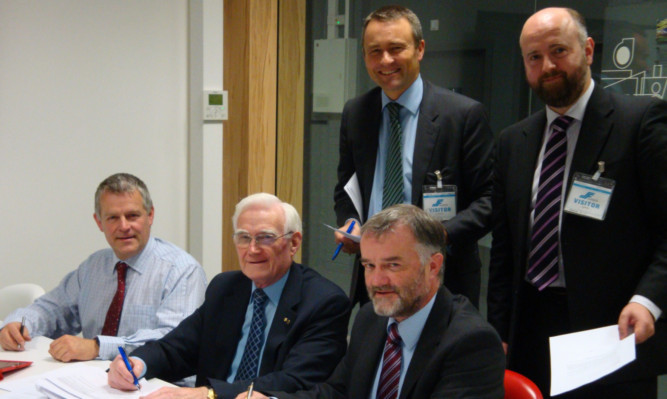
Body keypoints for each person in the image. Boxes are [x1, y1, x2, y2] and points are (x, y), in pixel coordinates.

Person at [488, 7, 667, 398]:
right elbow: (504, 252)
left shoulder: (639, 122)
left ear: (587, 50)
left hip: (612, 334)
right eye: (534, 57)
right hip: (530, 332)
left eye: (558, 51)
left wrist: (648, 300)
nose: (547, 65)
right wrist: (499, 333)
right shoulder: (512, 142)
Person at [239, 204, 505, 399]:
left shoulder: (470, 342)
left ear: (433, 266)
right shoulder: (371, 319)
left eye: (392, 265)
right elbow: (337, 392)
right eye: (369, 265)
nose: (377, 281)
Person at [108, 193, 350, 399]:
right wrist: (137, 363)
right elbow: (179, 347)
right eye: (244, 237)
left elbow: (293, 380)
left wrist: (210, 394)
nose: (252, 249)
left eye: (265, 237)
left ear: (293, 243)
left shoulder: (324, 302)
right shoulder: (226, 288)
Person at [333, 5, 493, 308]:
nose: (385, 60)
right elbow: (345, 189)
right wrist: (350, 223)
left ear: (419, 49)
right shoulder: (356, 113)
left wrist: (438, 235)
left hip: (441, 276)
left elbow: (489, 200)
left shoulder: (461, 115)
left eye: (396, 48)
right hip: (376, 277)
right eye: (374, 51)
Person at [0, 173, 207, 362]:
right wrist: (19, 324)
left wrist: (97, 347)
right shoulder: (94, 266)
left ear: (150, 215)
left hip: (158, 383)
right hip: (95, 381)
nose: (124, 226)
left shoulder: (182, 270)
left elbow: (171, 341)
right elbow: (52, 308)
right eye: (113, 218)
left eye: (132, 216)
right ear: (99, 222)